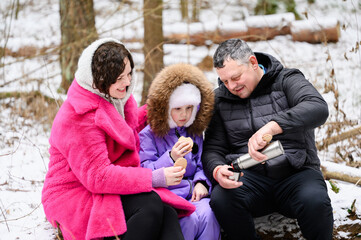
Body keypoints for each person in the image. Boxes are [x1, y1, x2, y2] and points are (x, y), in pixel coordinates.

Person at [41, 38, 196, 240]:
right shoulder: (77, 116)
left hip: (105, 185)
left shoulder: (114, 96)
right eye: (119, 78)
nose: (128, 82)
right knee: (150, 206)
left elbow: (123, 127)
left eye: (129, 73)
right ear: (99, 78)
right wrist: (155, 177)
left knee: (166, 211)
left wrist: (162, 105)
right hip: (75, 192)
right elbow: (98, 176)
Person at [201, 38, 334, 240]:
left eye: (236, 77)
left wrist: (273, 126)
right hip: (249, 180)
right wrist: (217, 170)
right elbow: (212, 149)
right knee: (221, 199)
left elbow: (317, 108)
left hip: (297, 172)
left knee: (315, 201)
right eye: (225, 81)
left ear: (253, 63)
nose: (231, 86)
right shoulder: (219, 99)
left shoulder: (287, 79)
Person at [139, 63, 220, 240]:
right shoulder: (149, 136)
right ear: (165, 108)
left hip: (195, 194)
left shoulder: (194, 132)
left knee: (209, 215)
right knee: (188, 221)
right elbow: (145, 171)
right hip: (170, 197)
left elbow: (201, 163)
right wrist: (170, 157)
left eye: (189, 108)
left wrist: (202, 183)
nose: (184, 115)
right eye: (177, 109)